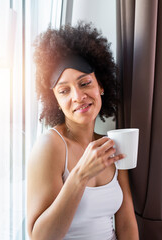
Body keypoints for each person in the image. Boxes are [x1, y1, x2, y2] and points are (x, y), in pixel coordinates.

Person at [27, 22, 139, 240]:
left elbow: (126, 223)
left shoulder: (112, 145)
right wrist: (80, 175)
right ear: (56, 101)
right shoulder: (50, 146)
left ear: (101, 86)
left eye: (85, 83)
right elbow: (40, 238)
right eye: (64, 90)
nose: (78, 97)